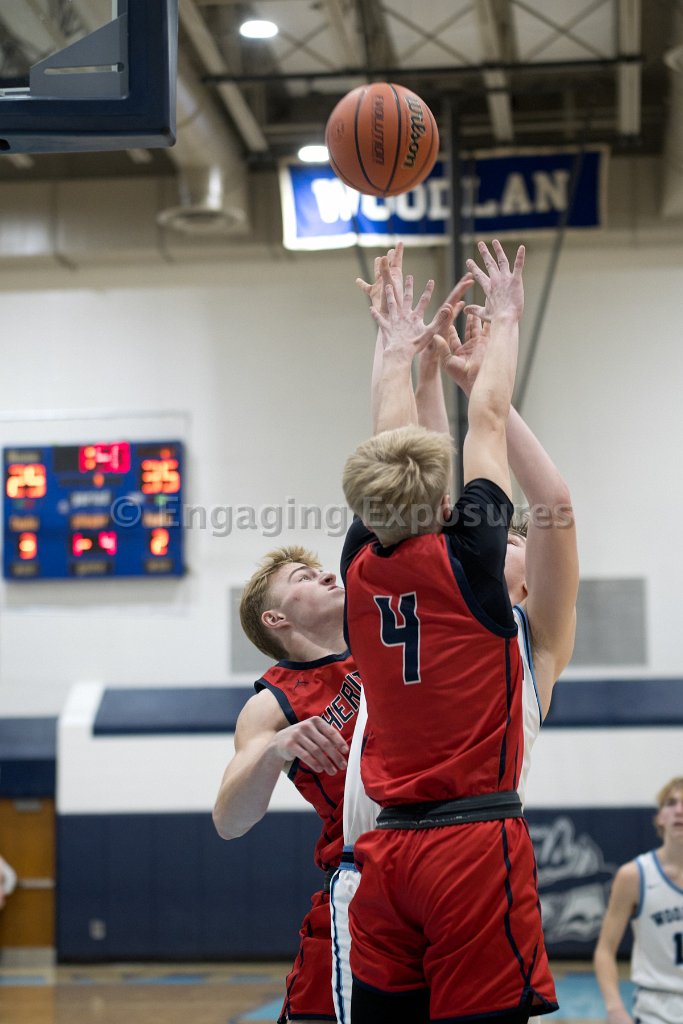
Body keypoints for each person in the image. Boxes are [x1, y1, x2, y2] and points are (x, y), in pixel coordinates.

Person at [212, 248, 472, 1024]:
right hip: (360, 884)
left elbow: (421, 493)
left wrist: (422, 371)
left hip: (443, 863)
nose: (325, 573)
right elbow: (228, 820)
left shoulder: (381, 629)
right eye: (300, 577)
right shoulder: (274, 700)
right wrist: (275, 750)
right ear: (276, 621)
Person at [330, 267, 578, 1024]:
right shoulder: (469, 569)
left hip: (391, 855)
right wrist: (499, 332)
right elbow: (478, 431)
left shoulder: (365, 567)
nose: (510, 540)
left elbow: (399, 453)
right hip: (463, 844)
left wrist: (399, 351)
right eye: (507, 535)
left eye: (518, 541)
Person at [593, 777, 683, 1024]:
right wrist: (614, 1009)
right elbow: (605, 950)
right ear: (660, 817)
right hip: (656, 1010)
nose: (679, 810)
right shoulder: (634, 875)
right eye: (671, 803)